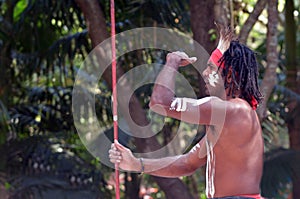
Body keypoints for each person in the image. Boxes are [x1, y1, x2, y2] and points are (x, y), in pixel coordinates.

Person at [109, 26, 264, 199]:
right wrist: (137, 164)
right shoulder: (228, 119)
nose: (205, 73)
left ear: (228, 76)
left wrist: (172, 61)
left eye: (211, 68)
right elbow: (187, 164)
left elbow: (160, 103)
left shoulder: (232, 110)